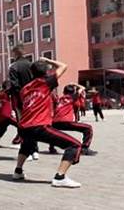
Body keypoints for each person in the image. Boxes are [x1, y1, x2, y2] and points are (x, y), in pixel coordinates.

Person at [12, 56, 83, 188]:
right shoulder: (46, 82)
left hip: (23, 126)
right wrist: (48, 60)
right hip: (38, 125)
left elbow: (20, 107)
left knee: (27, 145)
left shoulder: (25, 89)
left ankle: (18, 171)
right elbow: (63, 66)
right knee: (74, 145)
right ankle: (60, 177)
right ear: (46, 73)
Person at [8, 45, 39, 160]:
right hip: (34, 100)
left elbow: (15, 86)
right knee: (34, 124)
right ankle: (35, 150)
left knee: (23, 126)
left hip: (21, 101)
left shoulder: (13, 67)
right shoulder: (32, 65)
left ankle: (28, 151)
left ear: (15, 53)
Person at [48, 84, 97, 156]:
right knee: (88, 128)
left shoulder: (59, 99)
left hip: (54, 122)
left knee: (53, 131)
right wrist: (74, 84)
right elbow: (82, 88)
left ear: (64, 92)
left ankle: (51, 148)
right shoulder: (72, 97)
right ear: (73, 92)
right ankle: (84, 148)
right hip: (66, 121)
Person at [0, 81, 21, 147]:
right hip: (7, 114)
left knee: (2, 128)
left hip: (1, 114)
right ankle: (17, 141)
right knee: (21, 126)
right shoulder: (7, 92)